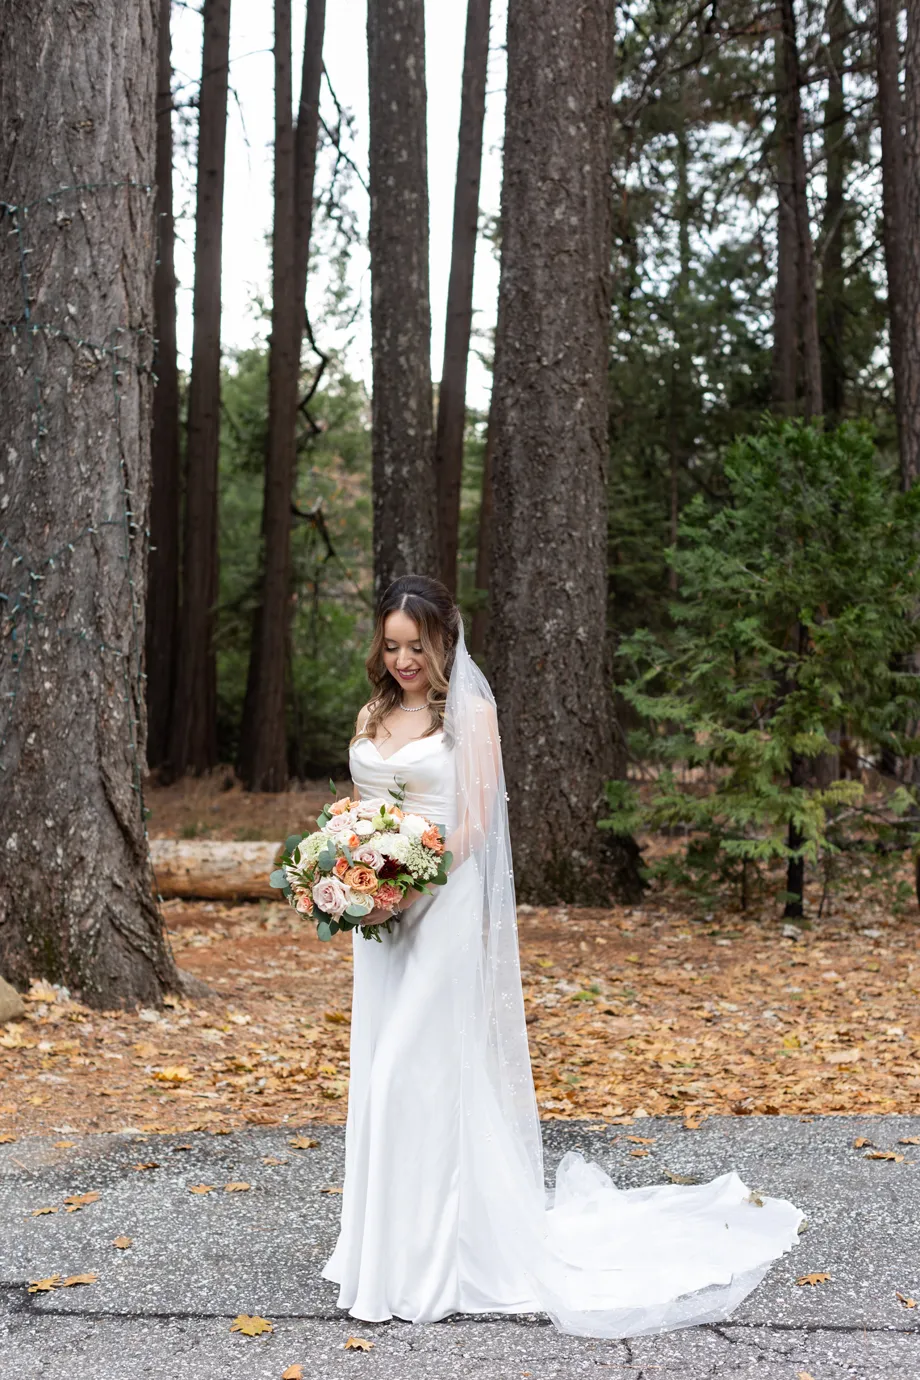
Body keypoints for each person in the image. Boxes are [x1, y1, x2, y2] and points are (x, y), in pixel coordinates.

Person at [322, 573, 803, 1336]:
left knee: (408, 1073)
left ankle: (429, 1264)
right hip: (379, 919)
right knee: (386, 1077)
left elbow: (476, 825)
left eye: (417, 646)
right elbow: (361, 810)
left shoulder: (472, 715)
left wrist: (406, 887)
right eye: (391, 647)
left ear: (444, 642)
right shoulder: (373, 713)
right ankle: (384, 1251)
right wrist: (349, 875)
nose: (403, 661)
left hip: (437, 907)